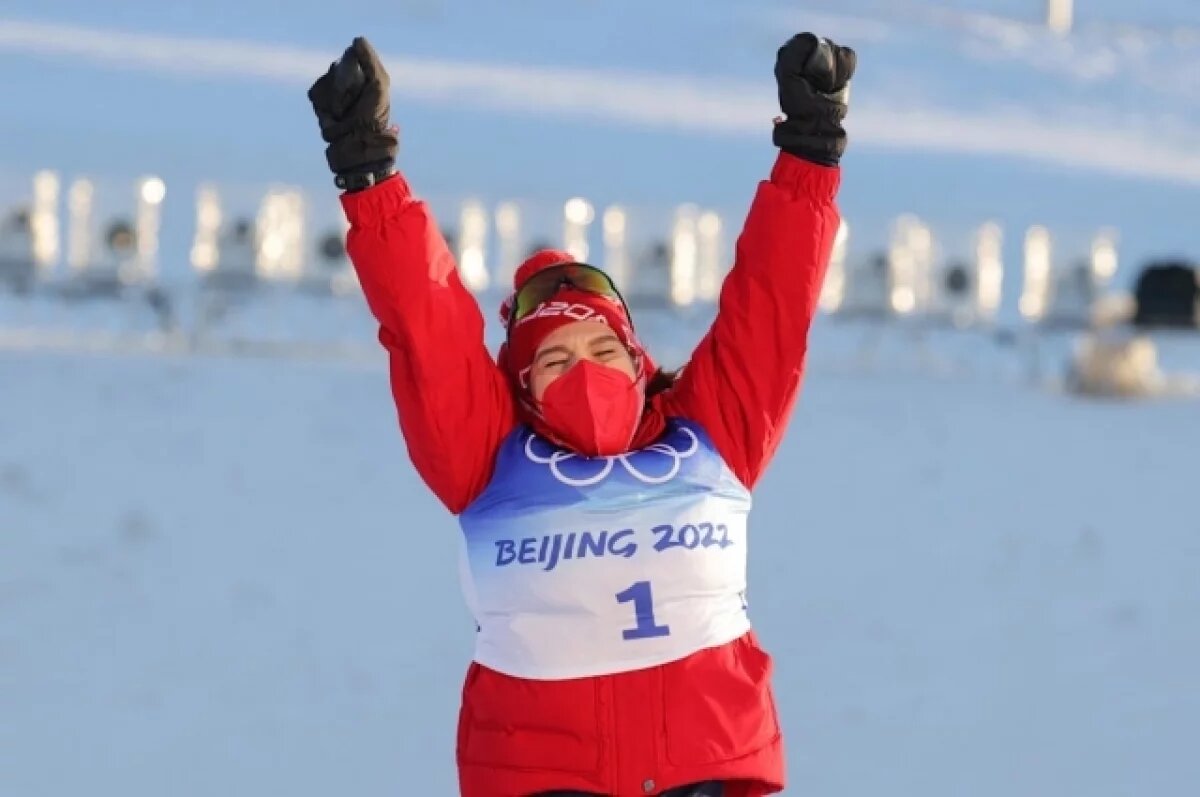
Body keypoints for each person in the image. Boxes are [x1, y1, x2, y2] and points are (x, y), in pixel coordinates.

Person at [308, 30, 855, 797]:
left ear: (637, 363)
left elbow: (772, 304)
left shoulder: (712, 433)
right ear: (522, 388)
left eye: (599, 351)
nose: (583, 374)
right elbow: (427, 328)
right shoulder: (485, 456)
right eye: (554, 361)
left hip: (703, 770)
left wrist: (810, 153)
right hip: (546, 774)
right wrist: (370, 174)